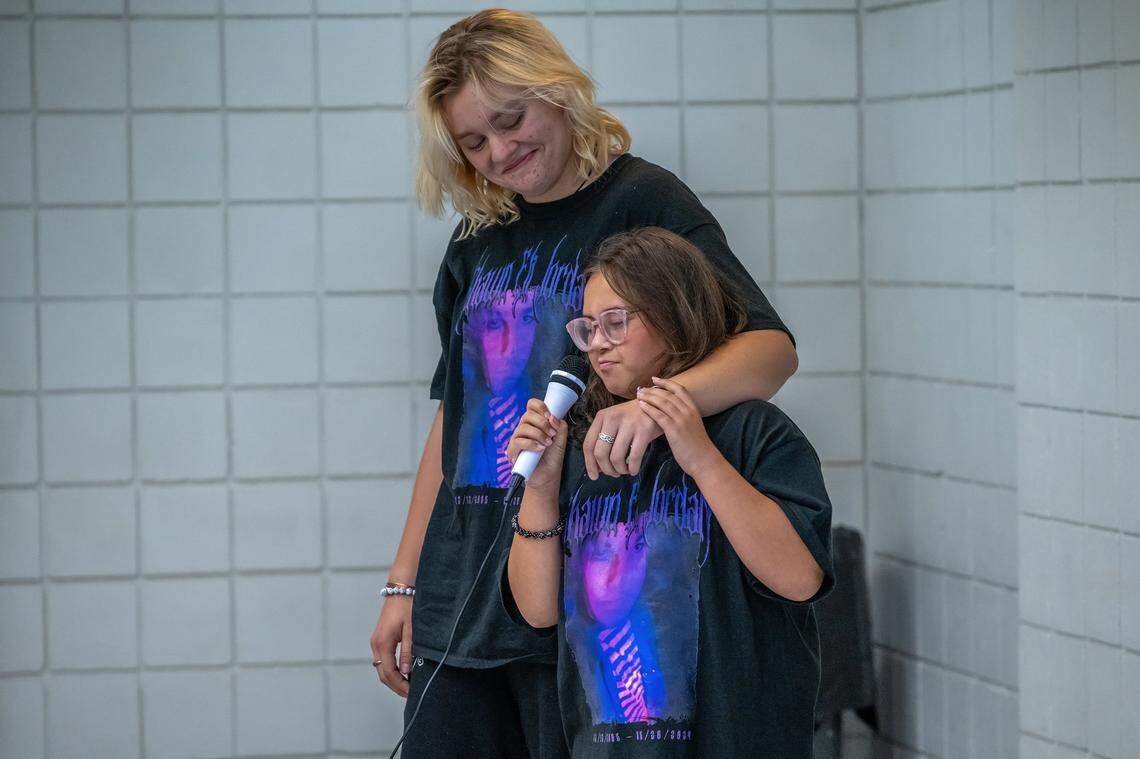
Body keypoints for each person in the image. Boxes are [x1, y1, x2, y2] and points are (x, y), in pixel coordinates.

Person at [369, 9, 799, 758]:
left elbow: (769, 349)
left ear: (558, 91)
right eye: (475, 141)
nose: (501, 150)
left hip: (578, 596)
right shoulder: (476, 238)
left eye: (512, 119)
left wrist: (660, 408)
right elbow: (455, 419)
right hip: (464, 591)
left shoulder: (645, 202)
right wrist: (404, 579)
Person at [506, 227, 834, 757]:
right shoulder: (585, 440)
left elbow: (800, 579)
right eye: (588, 328)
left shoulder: (753, 431)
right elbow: (538, 613)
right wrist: (539, 490)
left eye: (617, 321)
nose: (599, 344)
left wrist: (701, 458)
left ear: (676, 314)